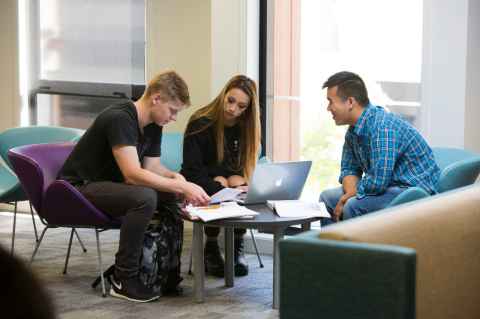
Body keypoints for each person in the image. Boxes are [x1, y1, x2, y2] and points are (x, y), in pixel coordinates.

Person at [58, 70, 210, 303]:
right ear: (156, 98)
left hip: (108, 185)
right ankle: (123, 279)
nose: (174, 118)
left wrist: (176, 178)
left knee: (169, 195)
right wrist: (179, 186)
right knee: (145, 197)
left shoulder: (153, 124)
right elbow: (132, 174)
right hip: (77, 188)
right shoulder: (120, 118)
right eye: (173, 110)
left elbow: (152, 167)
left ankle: (166, 273)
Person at [319, 71, 440, 223]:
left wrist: (347, 199)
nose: (328, 108)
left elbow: (378, 182)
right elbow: (349, 169)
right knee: (327, 198)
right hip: (387, 186)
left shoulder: (382, 127)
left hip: (411, 190)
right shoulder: (353, 131)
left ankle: (354, 247)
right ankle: (329, 247)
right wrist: (349, 193)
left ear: (350, 102)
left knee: (352, 206)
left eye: (331, 102)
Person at [181, 75, 261, 277]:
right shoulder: (200, 122)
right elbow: (192, 170)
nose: (233, 109)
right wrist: (223, 185)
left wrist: (240, 184)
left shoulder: (245, 126)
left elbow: (239, 166)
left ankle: (236, 243)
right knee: (222, 182)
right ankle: (212, 245)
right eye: (231, 100)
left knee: (237, 182)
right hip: (199, 178)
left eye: (241, 106)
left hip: (227, 178)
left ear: (248, 109)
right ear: (224, 94)